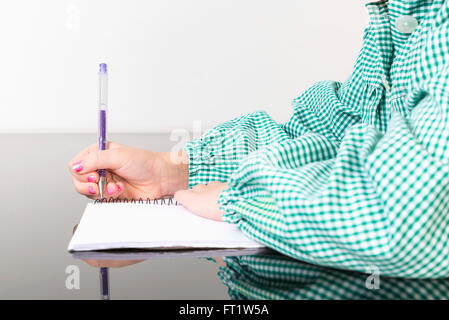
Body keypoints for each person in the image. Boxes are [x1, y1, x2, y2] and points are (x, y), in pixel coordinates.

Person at [69, 0, 449, 278]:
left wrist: (240, 199)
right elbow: (334, 133)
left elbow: (406, 219)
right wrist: (174, 171)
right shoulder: (403, 14)